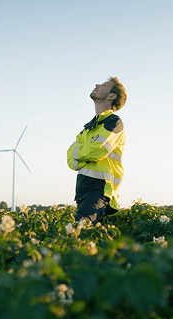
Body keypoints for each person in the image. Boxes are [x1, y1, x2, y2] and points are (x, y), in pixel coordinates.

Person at [66, 76, 127, 224]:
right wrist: (86, 152)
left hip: (100, 191)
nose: (97, 85)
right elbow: (70, 160)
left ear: (112, 96)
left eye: (104, 85)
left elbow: (96, 151)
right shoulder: (88, 128)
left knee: (78, 229)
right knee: (84, 236)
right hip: (82, 190)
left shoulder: (114, 122)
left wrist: (80, 153)